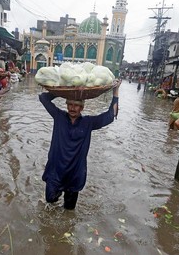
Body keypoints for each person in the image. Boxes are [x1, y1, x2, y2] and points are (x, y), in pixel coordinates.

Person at [38, 81, 121, 210]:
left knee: (69, 210)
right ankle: (58, 193)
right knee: (50, 200)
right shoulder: (58, 116)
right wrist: (64, 90)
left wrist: (115, 92)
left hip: (75, 172)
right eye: (69, 104)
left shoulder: (88, 123)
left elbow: (111, 115)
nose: (72, 108)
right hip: (56, 170)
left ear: (82, 108)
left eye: (76, 105)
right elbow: (43, 98)